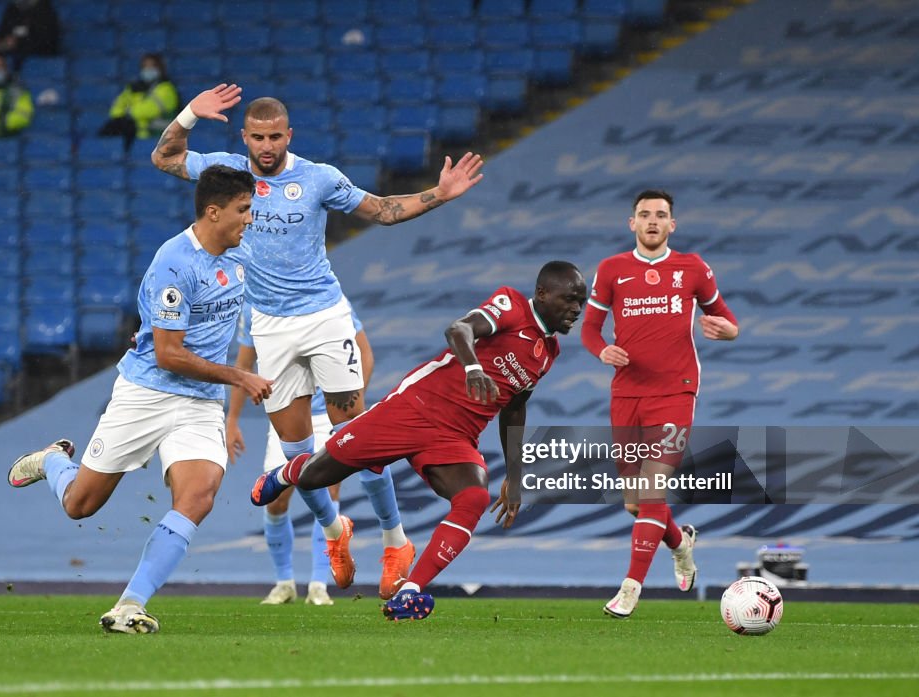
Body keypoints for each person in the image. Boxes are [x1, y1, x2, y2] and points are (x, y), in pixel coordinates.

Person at [151, 85, 484, 591]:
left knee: (362, 435)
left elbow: (381, 210)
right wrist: (190, 114)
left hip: (326, 317)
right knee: (295, 456)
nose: (266, 146)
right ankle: (335, 527)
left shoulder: (318, 178)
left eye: (275, 137)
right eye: (258, 137)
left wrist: (439, 194)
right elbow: (166, 156)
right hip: (269, 326)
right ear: (244, 137)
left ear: (290, 135)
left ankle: (396, 541)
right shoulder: (226, 173)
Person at [6, 165, 272, 634]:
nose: (250, 218)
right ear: (214, 212)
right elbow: (168, 354)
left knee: (199, 495)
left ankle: (131, 604)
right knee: (80, 505)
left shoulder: (241, 253)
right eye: (243, 209)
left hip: (199, 402)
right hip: (146, 393)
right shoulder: (173, 263)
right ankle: (50, 462)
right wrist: (239, 376)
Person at [251, 261, 587, 620]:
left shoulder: (548, 353)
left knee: (473, 497)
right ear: (542, 294)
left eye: (581, 302)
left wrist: (516, 475)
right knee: (317, 476)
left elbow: (515, 409)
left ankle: (410, 592)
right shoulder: (511, 305)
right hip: (413, 409)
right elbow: (458, 330)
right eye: (569, 299)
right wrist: (473, 368)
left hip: (454, 439)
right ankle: (286, 474)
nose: (576, 310)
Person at [581, 189, 739, 618]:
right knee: (635, 502)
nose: (652, 221)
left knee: (651, 493)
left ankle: (630, 588)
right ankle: (680, 542)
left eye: (661, 215)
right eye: (644, 214)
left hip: (675, 390)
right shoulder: (612, 269)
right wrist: (602, 352)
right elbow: (590, 330)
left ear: (673, 225)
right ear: (631, 223)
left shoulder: (692, 268)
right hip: (627, 392)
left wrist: (724, 331)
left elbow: (729, 322)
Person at [227, 305, 413, 605]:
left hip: (327, 415)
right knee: (276, 501)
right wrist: (232, 419)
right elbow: (245, 365)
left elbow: (364, 354)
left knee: (328, 486)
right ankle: (284, 582)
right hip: (287, 414)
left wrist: (346, 401)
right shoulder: (256, 307)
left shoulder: (328, 299)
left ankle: (318, 583)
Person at [98, 54, 180, 150]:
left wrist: (128, 111)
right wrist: (131, 113)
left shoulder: (167, 89)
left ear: (160, 68)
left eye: (152, 66)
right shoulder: (133, 87)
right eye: (145, 66)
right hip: (132, 133)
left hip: (156, 136)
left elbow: (150, 110)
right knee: (109, 130)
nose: (148, 69)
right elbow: (115, 110)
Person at [0, 0, 60, 67]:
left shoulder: (45, 9)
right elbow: (1, 33)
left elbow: (47, 40)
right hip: (13, 55)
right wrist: (1, 43)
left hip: (38, 57)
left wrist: (18, 42)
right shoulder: (12, 9)